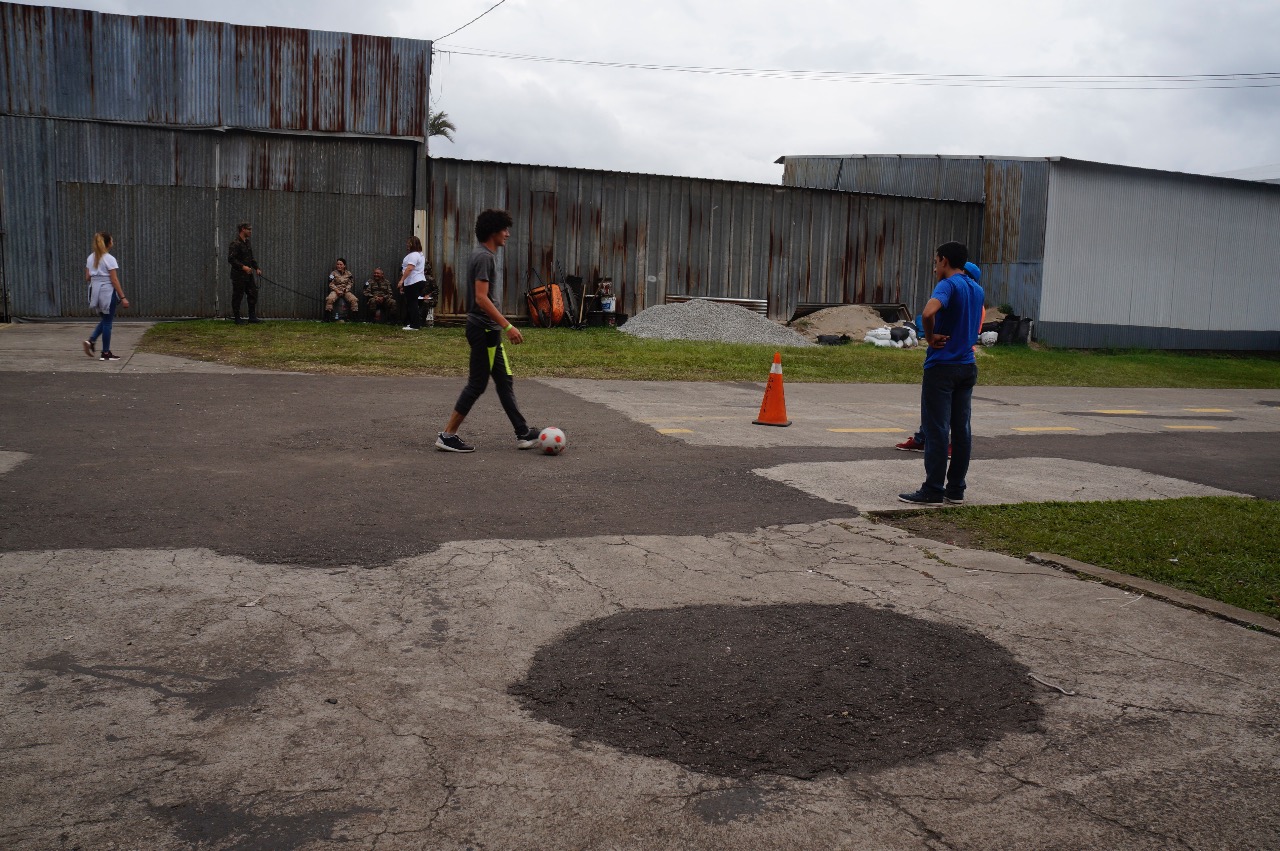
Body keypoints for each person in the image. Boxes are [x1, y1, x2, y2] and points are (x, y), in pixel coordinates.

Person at [435, 209, 541, 453]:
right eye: (504, 229)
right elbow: (482, 299)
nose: (508, 234)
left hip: (489, 331)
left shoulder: (484, 255)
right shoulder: (484, 257)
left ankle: (522, 432)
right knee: (477, 384)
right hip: (483, 330)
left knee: (504, 381)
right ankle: (447, 435)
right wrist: (509, 326)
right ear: (494, 231)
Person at [898, 242, 984, 506]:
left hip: (942, 367)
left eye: (936, 261)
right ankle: (955, 489)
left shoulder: (948, 284)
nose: (935, 267)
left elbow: (928, 312)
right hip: (967, 366)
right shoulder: (976, 289)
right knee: (961, 430)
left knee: (937, 430)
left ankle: (933, 489)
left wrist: (930, 335)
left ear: (944, 261)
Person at [82, 232, 129, 362]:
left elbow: (87, 277)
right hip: (107, 292)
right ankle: (106, 352)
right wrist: (123, 297)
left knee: (105, 320)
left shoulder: (90, 258)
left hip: (94, 291)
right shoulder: (109, 259)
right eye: (112, 241)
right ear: (108, 243)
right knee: (108, 322)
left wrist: (97, 276)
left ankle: (91, 341)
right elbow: (114, 280)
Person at [228, 222, 262, 324]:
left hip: (248, 275)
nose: (250, 231)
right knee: (238, 296)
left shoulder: (247, 242)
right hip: (238, 275)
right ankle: (237, 318)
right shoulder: (235, 243)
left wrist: (256, 268)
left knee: (253, 294)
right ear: (243, 229)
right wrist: (243, 267)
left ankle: (252, 317)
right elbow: (231, 259)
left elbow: (251, 258)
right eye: (249, 229)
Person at [398, 236, 426, 330]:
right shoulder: (420, 255)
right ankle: (414, 323)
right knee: (412, 303)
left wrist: (401, 280)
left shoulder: (413, 255)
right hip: (418, 280)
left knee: (412, 303)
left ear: (413, 244)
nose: (407, 245)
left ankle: (415, 325)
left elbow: (410, 268)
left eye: (409, 243)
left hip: (413, 281)